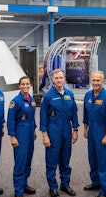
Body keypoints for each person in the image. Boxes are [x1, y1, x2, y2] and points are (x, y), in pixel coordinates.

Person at [40, 69, 79, 197]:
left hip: (67, 129)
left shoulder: (70, 94)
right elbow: (43, 117)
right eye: (56, 78)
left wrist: (75, 130)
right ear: (52, 80)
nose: (59, 80)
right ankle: (52, 186)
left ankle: (65, 184)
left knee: (65, 159)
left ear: (64, 78)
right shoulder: (48, 96)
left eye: (61, 77)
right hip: (53, 130)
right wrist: (45, 135)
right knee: (52, 159)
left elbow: (74, 113)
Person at [83, 71, 106, 197]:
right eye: (94, 80)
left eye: (98, 80)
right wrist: (85, 129)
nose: (96, 83)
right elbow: (85, 115)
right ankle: (96, 182)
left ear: (103, 81)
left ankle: (105, 190)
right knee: (92, 158)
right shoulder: (88, 95)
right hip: (92, 130)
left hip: (103, 131)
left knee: (104, 161)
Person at [7, 76, 37, 197]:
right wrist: (12, 136)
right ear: (19, 86)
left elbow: (32, 117)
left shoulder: (32, 99)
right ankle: (18, 191)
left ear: (30, 85)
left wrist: (34, 130)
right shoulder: (15, 101)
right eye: (23, 84)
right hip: (20, 132)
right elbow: (10, 120)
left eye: (27, 84)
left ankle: (24, 184)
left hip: (30, 132)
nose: (25, 86)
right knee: (20, 161)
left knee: (28, 160)